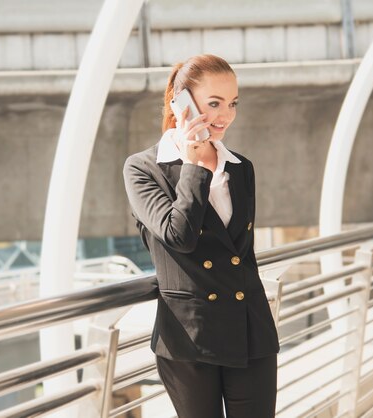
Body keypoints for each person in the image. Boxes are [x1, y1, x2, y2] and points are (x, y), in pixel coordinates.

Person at [122, 54, 280, 418]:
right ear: (181, 104)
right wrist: (192, 166)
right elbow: (178, 236)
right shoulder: (143, 168)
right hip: (189, 336)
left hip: (249, 328)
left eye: (232, 103)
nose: (225, 115)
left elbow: (239, 251)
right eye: (213, 103)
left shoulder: (240, 167)